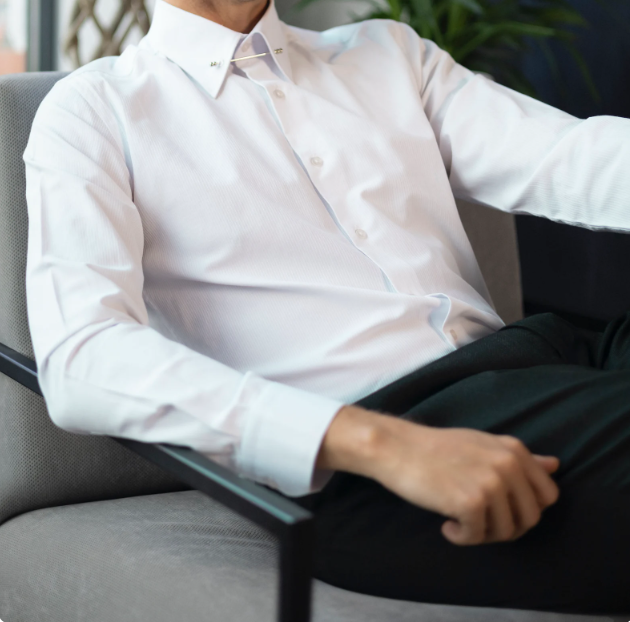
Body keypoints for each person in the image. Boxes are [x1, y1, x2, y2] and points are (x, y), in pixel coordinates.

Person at [23, 0, 630, 615]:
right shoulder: (95, 110)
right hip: (378, 450)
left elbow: (571, 157)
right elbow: (82, 356)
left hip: (540, 359)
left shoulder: (389, 53)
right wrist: (379, 443)